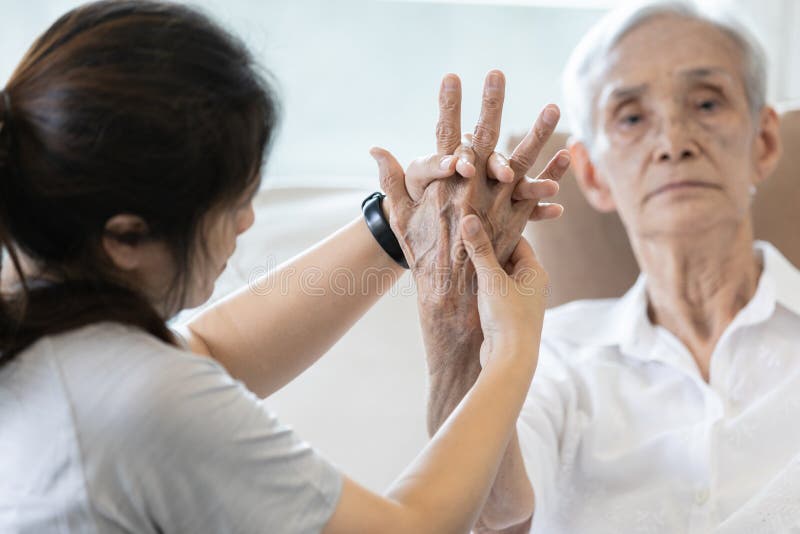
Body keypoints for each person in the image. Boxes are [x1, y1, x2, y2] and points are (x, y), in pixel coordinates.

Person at [0, 1, 571, 533]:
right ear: (126, 236)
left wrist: (398, 228)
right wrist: (512, 347)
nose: (248, 222)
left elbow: (207, 350)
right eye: (233, 203)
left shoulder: (41, 333)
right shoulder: (135, 406)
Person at [420, 1, 800, 533]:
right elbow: (488, 510)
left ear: (763, 143)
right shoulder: (547, 352)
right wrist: (456, 325)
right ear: (594, 176)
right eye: (631, 117)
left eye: (707, 104)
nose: (673, 143)